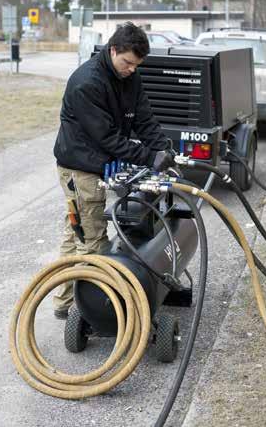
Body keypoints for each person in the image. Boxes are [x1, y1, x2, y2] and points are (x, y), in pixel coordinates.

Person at [53, 21, 175, 319]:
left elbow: (143, 118)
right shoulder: (87, 82)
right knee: (94, 241)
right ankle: (94, 312)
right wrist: (148, 158)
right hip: (80, 168)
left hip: (100, 163)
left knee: (77, 232)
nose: (132, 69)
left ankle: (63, 302)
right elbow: (106, 137)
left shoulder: (128, 77)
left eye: (136, 65)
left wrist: (163, 150)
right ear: (113, 50)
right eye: (128, 62)